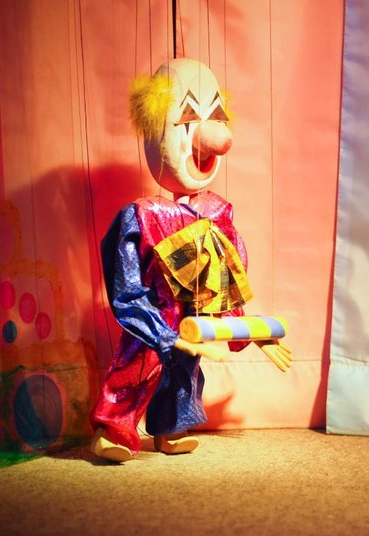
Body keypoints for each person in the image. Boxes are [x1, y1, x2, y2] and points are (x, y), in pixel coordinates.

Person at [90, 58, 290, 463]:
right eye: (187, 120)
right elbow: (127, 290)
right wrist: (164, 334)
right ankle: (113, 429)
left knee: (185, 371)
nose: (214, 136)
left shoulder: (218, 215)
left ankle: (171, 428)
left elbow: (225, 282)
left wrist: (251, 332)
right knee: (140, 362)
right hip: (155, 318)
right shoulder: (141, 216)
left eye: (215, 117)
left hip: (193, 317)